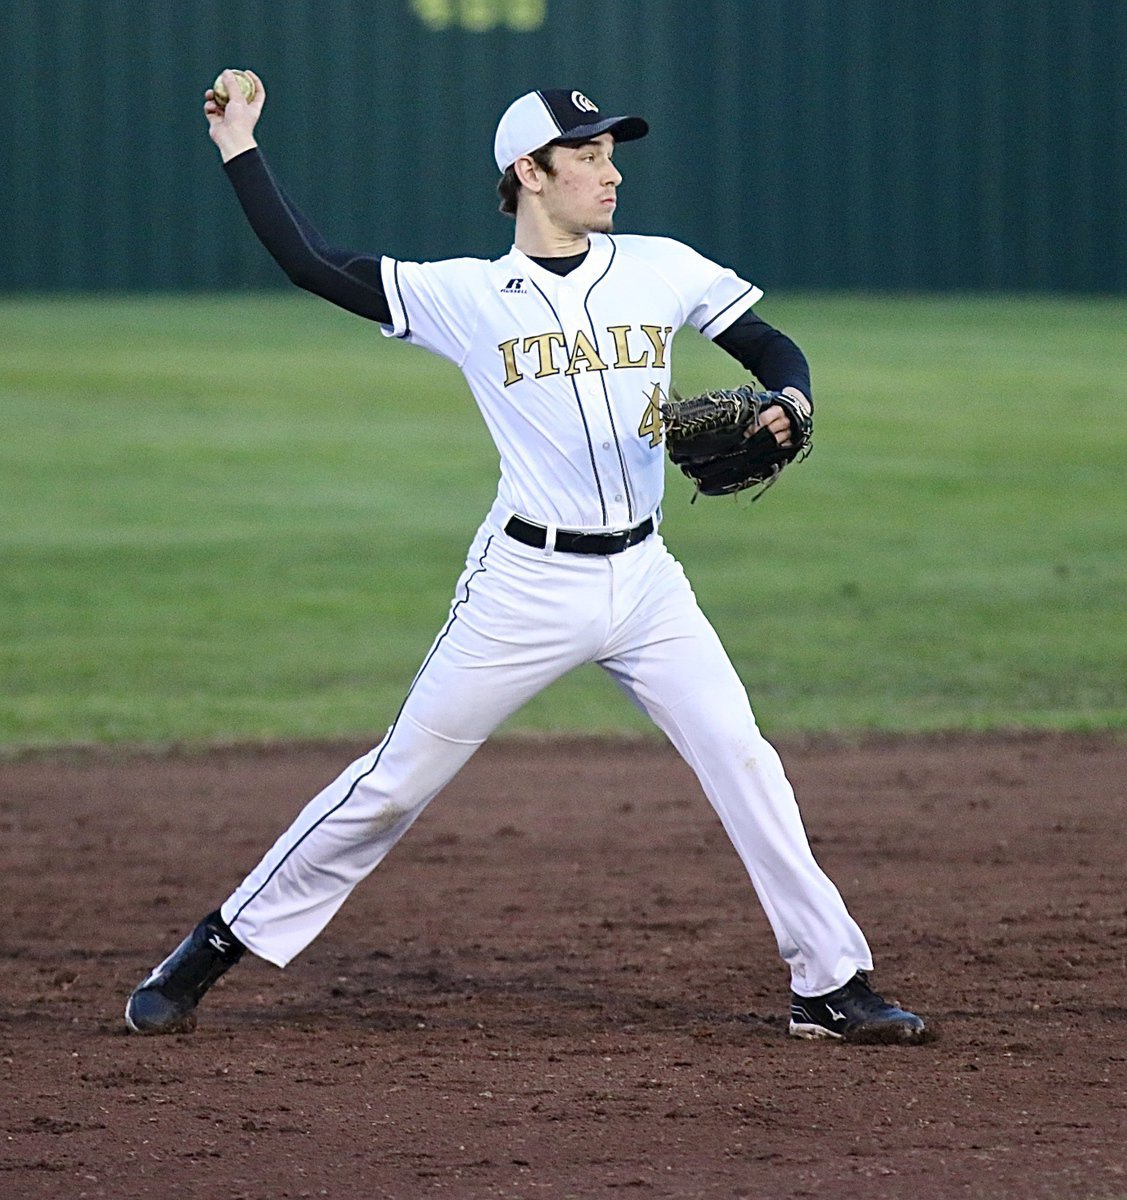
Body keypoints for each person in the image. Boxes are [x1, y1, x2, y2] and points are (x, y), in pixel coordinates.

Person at [125, 76, 927, 1044]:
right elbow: (309, 261)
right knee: (396, 781)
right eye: (584, 154)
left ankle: (827, 985)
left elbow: (768, 343)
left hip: (645, 583)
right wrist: (239, 145)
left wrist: (789, 403)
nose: (608, 170)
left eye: (608, 151)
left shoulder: (660, 266)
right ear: (528, 173)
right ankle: (213, 945)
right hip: (524, 585)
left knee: (742, 760)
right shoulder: (464, 295)